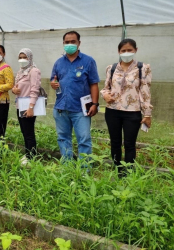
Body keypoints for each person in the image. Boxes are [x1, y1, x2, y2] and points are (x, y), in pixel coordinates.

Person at [100, 38, 153, 177]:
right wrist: (105, 95)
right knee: (115, 142)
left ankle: (128, 173)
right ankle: (118, 170)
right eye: (123, 50)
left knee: (130, 144)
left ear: (135, 50)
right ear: (119, 52)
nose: (126, 53)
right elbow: (106, 88)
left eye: (129, 50)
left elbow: (145, 92)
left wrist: (147, 114)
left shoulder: (142, 68)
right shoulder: (111, 68)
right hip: (112, 111)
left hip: (132, 112)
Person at [50, 31, 100, 164]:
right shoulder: (58, 63)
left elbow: (94, 84)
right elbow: (53, 80)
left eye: (73, 42)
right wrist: (53, 84)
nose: (70, 44)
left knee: (84, 139)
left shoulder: (88, 61)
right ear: (63, 44)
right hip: (61, 107)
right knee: (63, 138)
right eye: (67, 42)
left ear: (79, 43)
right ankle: (67, 165)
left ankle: (85, 169)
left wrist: (95, 104)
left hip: (80, 109)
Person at [12, 48, 41, 165]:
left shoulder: (34, 71)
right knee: (24, 131)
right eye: (20, 57)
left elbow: (35, 89)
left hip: (28, 106)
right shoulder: (20, 72)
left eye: (25, 57)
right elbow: (17, 87)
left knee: (29, 132)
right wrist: (14, 90)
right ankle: (28, 153)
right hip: (20, 104)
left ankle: (31, 157)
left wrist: (31, 107)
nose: (22, 60)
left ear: (30, 58)